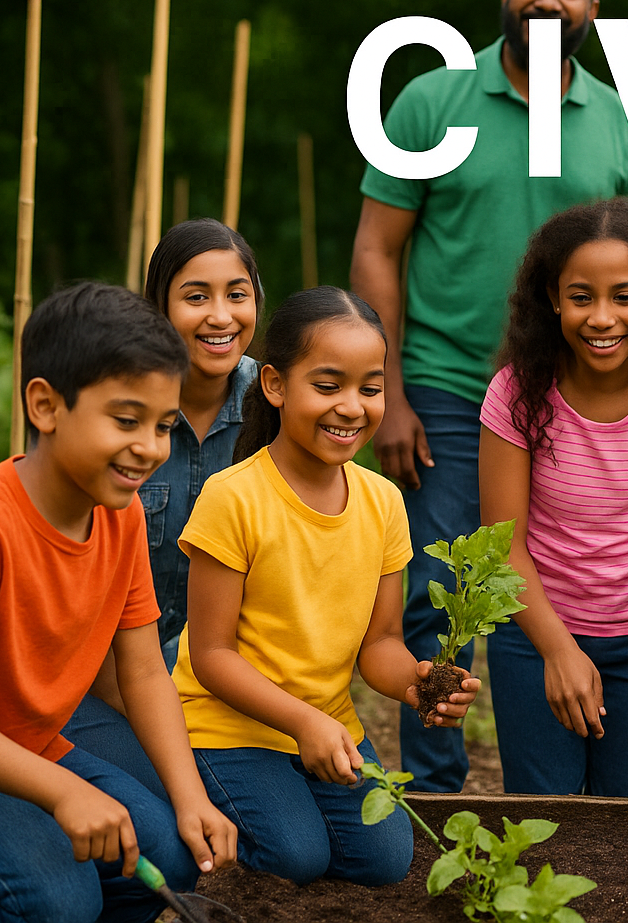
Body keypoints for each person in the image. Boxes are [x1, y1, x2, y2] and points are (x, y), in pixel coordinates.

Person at [351, 0, 628, 793]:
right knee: (442, 585)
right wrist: (388, 392)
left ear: (593, 13)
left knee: (576, 573)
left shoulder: (620, 118)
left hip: (578, 385)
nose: (548, 1)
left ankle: (575, 756)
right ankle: (436, 778)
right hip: (450, 382)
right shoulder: (429, 100)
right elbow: (379, 249)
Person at [0, 282, 237, 923]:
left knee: (174, 856)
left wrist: (191, 801)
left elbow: (144, 668)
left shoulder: (117, 515)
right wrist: (61, 791)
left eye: (162, 426)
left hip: (34, 748)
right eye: (126, 421)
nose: (151, 448)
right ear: (45, 405)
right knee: (58, 902)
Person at [174, 287, 479, 884]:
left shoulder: (384, 501)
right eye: (328, 385)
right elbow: (211, 657)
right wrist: (303, 723)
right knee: (296, 856)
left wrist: (419, 686)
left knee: (386, 860)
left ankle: (283, 804)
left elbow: (380, 645)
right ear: (275, 385)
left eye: (370, 388)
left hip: (327, 724)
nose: (351, 407)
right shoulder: (233, 498)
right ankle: (186, 802)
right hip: (225, 725)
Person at [477, 198, 628, 797]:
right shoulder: (517, 395)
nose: (602, 317)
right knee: (545, 830)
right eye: (581, 297)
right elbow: (501, 548)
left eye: (625, 296)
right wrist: (557, 650)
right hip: (535, 637)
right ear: (554, 299)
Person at [65, 219, 264, 799]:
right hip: (112, 683)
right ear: (158, 309)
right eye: (195, 296)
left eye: (237, 294)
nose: (221, 317)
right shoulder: (116, 416)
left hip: (233, 687)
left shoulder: (276, 410)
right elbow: (78, 585)